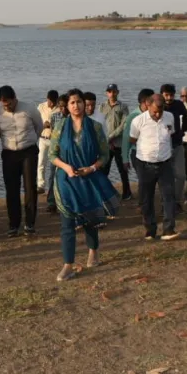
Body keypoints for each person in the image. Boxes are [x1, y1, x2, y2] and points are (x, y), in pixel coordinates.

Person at [49, 89, 117, 282]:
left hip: (88, 178)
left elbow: (105, 155)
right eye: (72, 103)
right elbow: (52, 155)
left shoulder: (95, 127)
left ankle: (93, 251)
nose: (76, 106)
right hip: (66, 179)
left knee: (90, 219)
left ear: (84, 104)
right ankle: (68, 265)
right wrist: (67, 167)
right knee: (67, 223)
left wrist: (92, 168)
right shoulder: (60, 127)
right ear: (67, 106)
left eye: (79, 102)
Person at [0, 85, 44, 237]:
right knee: (11, 190)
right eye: (4, 104)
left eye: (9, 103)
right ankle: (13, 224)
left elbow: (39, 128)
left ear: (15, 98)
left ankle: (30, 223)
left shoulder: (29, 109)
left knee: (30, 187)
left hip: (28, 151)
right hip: (9, 154)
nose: (6, 106)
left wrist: (29, 141)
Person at [128, 94, 180, 241]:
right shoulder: (138, 120)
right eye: (155, 111)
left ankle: (169, 229)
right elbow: (132, 139)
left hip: (165, 162)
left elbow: (171, 133)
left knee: (169, 195)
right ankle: (150, 230)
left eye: (161, 110)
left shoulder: (169, 117)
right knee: (146, 198)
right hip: (145, 164)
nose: (158, 114)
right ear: (147, 105)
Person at [159, 84, 187, 213]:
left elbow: (186, 117)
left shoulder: (178, 105)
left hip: (177, 144)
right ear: (161, 95)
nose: (169, 98)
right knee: (165, 177)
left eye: (171, 95)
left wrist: (183, 130)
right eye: (166, 95)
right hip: (163, 146)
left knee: (181, 176)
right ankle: (165, 203)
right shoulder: (158, 106)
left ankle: (176, 201)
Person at [99, 84, 132, 200]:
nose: (112, 94)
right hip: (106, 144)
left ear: (117, 92)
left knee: (122, 169)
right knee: (104, 170)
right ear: (106, 93)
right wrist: (105, 139)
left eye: (114, 91)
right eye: (109, 92)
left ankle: (127, 193)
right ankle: (104, 193)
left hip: (118, 143)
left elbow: (124, 124)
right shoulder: (102, 106)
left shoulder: (123, 107)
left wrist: (111, 136)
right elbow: (99, 123)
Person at [121, 88, 155, 160]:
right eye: (150, 101)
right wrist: (125, 159)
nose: (152, 104)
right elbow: (126, 138)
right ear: (143, 102)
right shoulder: (133, 116)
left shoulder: (155, 114)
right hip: (137, 153)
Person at [36, 90, 60, 195]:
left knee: (54, 164)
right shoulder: (41, 107)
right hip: (42, 138)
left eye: (54, 102)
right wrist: (43, 124)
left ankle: (53, 186)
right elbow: (36, 121)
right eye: (50, 101)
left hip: (54, 140)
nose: (52, 104)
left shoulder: (60, 108)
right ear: (47, 98)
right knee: (41, 162)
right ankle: (41, 185)